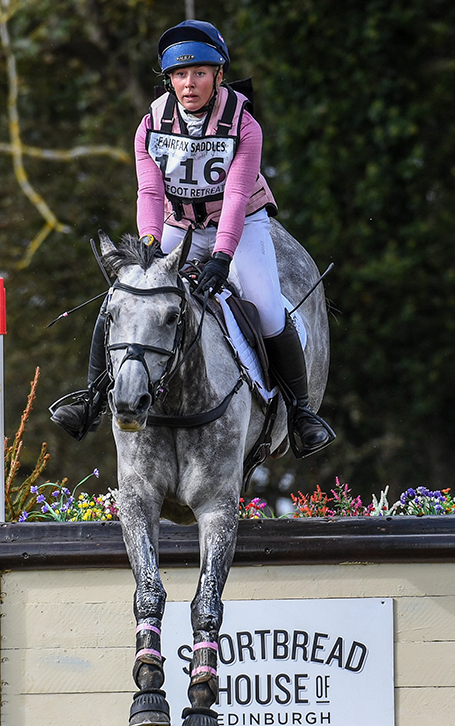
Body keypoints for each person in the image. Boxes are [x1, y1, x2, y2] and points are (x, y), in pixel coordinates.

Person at [51, 20, 334, 458]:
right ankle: (91, 398)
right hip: (177, 224)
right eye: (180, 75)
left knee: (267, 308)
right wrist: (148, 240)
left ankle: (299, 413)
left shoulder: (244, 125)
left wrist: (222, 256)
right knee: (125, 297)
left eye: (200, 72)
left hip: (240, 225)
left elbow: (238, 195)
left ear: (219, 75)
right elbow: (149, 191)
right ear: (169, 80)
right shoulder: (150, 126)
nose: (189, 83)